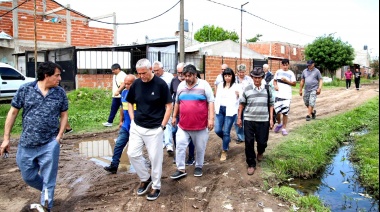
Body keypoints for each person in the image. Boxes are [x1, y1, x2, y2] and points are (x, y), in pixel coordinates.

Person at [0, 61, 68, 211]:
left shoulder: (59, 93)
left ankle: (47, 204)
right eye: (57, 75)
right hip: (27, 144)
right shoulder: (25, 89)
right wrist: (6, 139)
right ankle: (46, 191)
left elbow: (64, 115)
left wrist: (59, 137)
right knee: (28, 177)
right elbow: (12, 113)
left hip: (50, 144)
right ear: (46, 75)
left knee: (49, 181)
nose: (60, 78)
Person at [126, 58, 172, 201]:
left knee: (155, 158)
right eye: (139, 73)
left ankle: (156, 186)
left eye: (144, 73)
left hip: (154, 129)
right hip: (138, 126)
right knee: (132, 154)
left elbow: (169, 106)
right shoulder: (137, 84)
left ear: (151, 69)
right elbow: (129, 102)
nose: (141, 76)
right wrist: (133, 119)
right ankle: (145, 178)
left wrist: (162, 127)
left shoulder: (161, 84)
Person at [170, 64, 215, 180]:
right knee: (180, 146)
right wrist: (174, 117)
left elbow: (210, 102)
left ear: (195, 75)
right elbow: (177, 103)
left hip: (200, 126)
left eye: (189, 76)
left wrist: (211, 119)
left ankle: (199, 166)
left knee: (200, 147)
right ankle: (180, 169)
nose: (187, 79)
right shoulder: (181, 86)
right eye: (185, 76)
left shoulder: (204, 85)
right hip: (183, 125)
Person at [237, 67, 274, 175]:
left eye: (259, 78)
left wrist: (271, 119)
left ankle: (260, 151)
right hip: (249, 119)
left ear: (262, 77)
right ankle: (251, 164)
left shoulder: (267, 88)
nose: (257, 80)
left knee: (262, 142)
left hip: (263, 120)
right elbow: (241, 104)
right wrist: (239, 118)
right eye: (255, 77)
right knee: (248, 142)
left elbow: (271, 104)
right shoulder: (247, 89)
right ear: (252, 77)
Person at [104, 74, 136, 174]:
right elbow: (122, 108)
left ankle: (153, 165)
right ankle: (114, 165)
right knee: (118, 145)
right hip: (126, 126)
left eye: (129, 84)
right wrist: (121, 121)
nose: (126, 86)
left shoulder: (140, 94)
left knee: (142, 148)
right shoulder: (124, 93)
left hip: (138, 127)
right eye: (125, 84)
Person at [170, 62, 195, 166]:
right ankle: (180, 153)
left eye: (182, 72)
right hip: (177, 112)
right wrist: (173, 115)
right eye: (178, 72)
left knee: (191, 135)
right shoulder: (174, 81)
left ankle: (191, 156)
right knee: (174, 132)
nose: (180, 74)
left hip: (189, 113)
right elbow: (171, 95)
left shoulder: (192, 82)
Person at [215, 68, 240, 161]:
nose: (227, 77)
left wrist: (238, 95)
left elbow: (241, 99)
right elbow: (217, 97)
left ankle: (224, 150)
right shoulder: (220, 85)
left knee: (226, 132)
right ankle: (227, 139)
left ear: (232, 76)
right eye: (225, 76)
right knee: (217, 130)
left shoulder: (236, 86)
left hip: (230, 111)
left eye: (229, 75)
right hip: (220, 109)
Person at [153, 61, 174, 154]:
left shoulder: (169, 77)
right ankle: (161, 142)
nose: (156, 72)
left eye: (157, 70)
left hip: (167, 103)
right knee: (158, 123)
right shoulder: (152, 78)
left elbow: (173, 90)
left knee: (168, 122)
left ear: (162, 68)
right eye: (154, 71)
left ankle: (169, 144)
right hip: (157, 104)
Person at [272, 59, 296, 136]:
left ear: (288, 65)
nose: (285, 66)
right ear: (281, 65)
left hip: (287, 96)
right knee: (277, 111)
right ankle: (279, 124)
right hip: (278, 95)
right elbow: (274, 81)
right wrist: (275, 86)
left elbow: (294, 84)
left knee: (285, 112)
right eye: (284, 65)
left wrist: (286, 81)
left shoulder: (291, 73)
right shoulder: (278, 72)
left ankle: (284, 128)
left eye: (286, 65)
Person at [234, 64, 253, 144]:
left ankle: (248, 136)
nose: (241, 74)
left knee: (247, 120)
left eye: (243, 72)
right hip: (236, 102)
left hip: (247, 102)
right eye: (239, 72)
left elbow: (252, 89)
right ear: (237, 72)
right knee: (237, 120)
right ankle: (240, 137)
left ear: (245, 72)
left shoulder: (249, 79)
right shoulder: (234, 79)